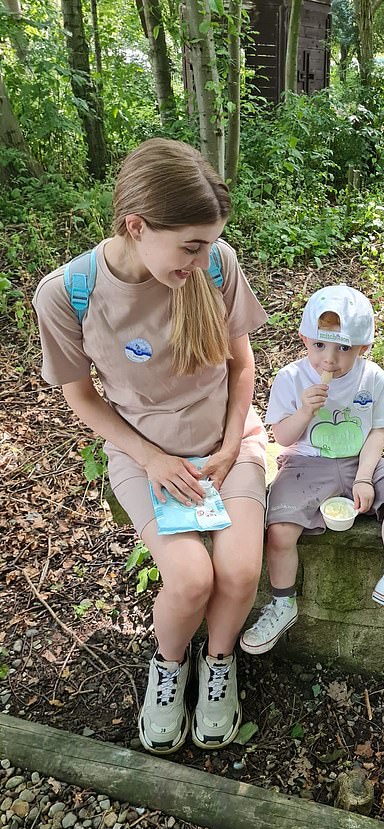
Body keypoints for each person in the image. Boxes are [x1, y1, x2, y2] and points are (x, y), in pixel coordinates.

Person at [32, 138, 268, 755]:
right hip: (144, 452)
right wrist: (153, 459)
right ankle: (170, 668)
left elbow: (243, 368)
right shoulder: (67, 295)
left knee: (240, 571)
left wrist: (229, 441)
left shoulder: (216, 266)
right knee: (190, 579)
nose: (203, 258)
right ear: (136, 226)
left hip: (226, 440)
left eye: (210, 243)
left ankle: (218, 663)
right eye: (191, 245)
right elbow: (81, 398)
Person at [240, 285, 384, 656]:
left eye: (344, 349)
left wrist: (365, 477)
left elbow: (376, 431)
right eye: (320, 346)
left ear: (363, 348)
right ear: (304, 338)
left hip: (358, 459)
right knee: (279, 530)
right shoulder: (291, 379)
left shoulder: (372, 379)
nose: (330, 360)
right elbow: (283, 437)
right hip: (305, 462)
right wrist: (304, 411)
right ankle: (282, 603)